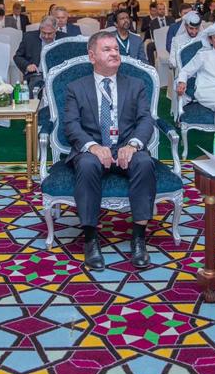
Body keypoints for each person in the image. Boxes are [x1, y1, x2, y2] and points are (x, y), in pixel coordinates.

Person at [63, 31, 157, 270]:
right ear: (92, 56)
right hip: (93, 148)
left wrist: (133, 144)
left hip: (126, 145)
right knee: (86, 164)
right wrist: (93, 147)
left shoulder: (135, 85)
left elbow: (145, 120)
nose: (115, 53)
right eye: (107, 49)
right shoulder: (76, 87)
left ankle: (138, 238)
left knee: (145, 163)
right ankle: (90, 239)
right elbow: (71, 125)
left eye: (116, 49)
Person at [14, 16, 65, 95]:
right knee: (34, 89)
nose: (46, 36)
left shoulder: (64, 39)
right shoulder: (29, 37)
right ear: (40, 28)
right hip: (37, 75)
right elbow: (17, 57)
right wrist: (27, 66)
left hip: (59, 76)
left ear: (56, 30)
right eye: (43, 32)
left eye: (49, 33)